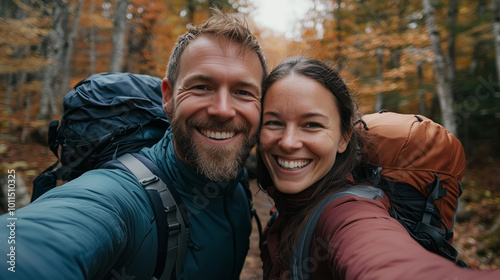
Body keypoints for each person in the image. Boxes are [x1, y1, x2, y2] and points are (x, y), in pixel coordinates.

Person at [0, 9, 267, 280]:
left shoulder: (237, 182)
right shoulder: (120, 196)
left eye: (243, 92)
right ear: (168, 97)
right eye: (201, 86)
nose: (223, 110)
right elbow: (32, 246)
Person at [257, 57, 500, 279]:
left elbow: (381, 256)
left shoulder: (348, 214)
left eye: (311, 124)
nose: (288, 142)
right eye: (274, 122)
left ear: (344, 138)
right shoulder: (290, 206)